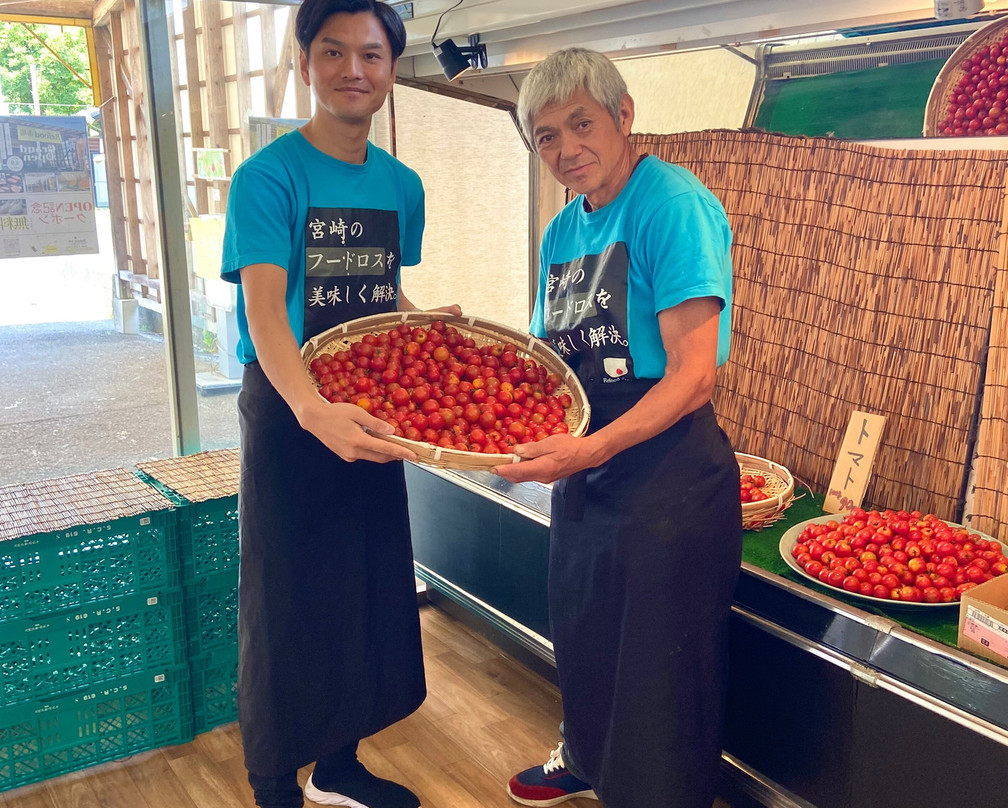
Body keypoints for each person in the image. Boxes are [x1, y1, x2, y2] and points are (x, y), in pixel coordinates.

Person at [220, 2, 458, 807]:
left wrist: (424, 325)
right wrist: (311, 410)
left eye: (370, 54)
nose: (353, 69)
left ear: (392, 70)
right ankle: (273, 778)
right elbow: (265, 308)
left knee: (364, 583)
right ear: (305, 63)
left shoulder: (402, 185)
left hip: (372, 406)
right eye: (333, 52)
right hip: (292, 409)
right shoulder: (269, 177)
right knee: (286, 595)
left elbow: (375, 288)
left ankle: (339, 765)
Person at [496, 48, 743, 808]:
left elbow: (694, 373)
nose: (567, 149)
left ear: (623, 115)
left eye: (582, 123)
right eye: (546, 136)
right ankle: (587, 760)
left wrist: (592, 447)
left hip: (668, 475)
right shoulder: (562, 233)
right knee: (587, 627)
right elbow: (545, 358)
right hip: (588, 468)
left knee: (661, 660)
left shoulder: (669, 204)